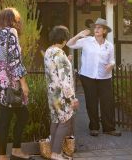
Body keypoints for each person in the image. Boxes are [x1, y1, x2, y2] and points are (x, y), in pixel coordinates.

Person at [66, 18, 121, 137]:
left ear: (105, 31)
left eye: (99, 27)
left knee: (107, 102)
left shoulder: (109, 46)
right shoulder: (86, 41)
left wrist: (111, 65)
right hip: (88, 76)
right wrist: (79, 35)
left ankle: (109, 128)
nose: (96, 29)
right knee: (91, 102)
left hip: (105, 77)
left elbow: (112, 60)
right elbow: (69, 44)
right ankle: (94, 127)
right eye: (95, 27)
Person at [0, 8, 31, 160]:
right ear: (12, 20)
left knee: (15, 115)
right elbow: (14, 60)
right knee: (8, 118)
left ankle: (12, 151)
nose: (19, 23)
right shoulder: (10, 32)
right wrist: (23, 83)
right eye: (18, 20)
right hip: (10, 81)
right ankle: (4, 155)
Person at [44, 25, 79, 160]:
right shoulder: (60, 54)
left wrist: (67, 62)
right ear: (64, 39)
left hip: (52, 93)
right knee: (65, 122)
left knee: (55, 121)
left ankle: (53, 151)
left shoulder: (49, 51)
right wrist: (72, 98)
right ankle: (56, 153)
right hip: (62, 95)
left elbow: (54, 70)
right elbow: (64, 79)